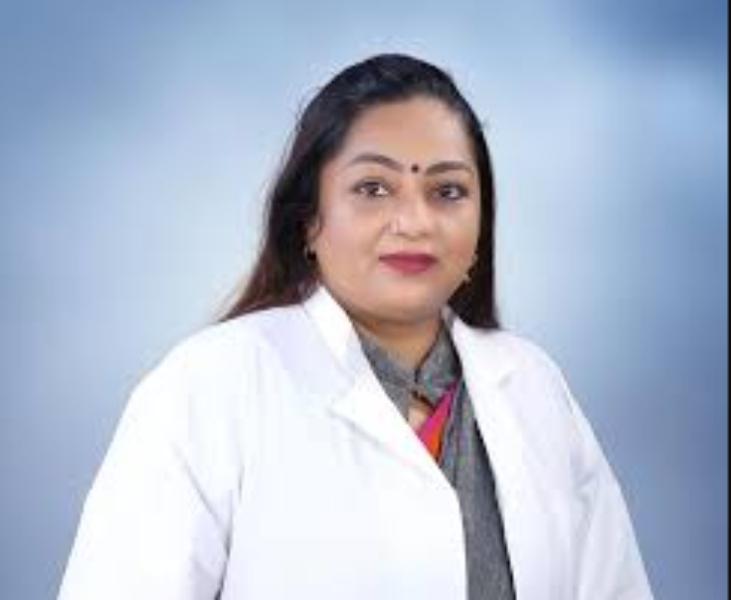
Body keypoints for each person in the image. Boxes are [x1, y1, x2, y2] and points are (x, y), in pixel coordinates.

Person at [58, 54, 654, 600]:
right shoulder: (210, 385)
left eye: (447, 191)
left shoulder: (533, 387)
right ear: (308, 221)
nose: (415, 221)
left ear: (482, 223)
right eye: (373, 189)